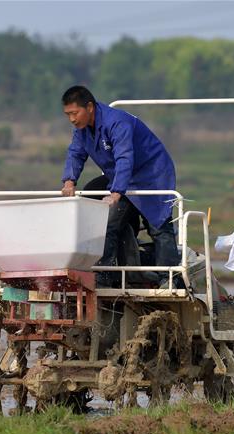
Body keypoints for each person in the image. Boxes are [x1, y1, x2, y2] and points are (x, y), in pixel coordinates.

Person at [59, 85, 179, 287]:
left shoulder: (117, 122)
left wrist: (116, 193)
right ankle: (104, 273)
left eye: (74, 113)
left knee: (158, 225)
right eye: (68, 114)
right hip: (120, 176)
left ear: (89, 107)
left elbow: (125, 157)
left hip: (151, 173)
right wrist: (69, 180)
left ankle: (169, 278)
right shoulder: (81, 129)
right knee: (93, 203)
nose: (72, 118)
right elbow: (76, 153)